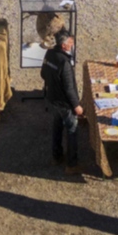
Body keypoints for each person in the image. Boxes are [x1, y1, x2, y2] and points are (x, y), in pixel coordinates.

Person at [42, 33, 83, 170]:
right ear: (64, 45)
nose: (73, 46)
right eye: (71, 43)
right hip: (65, 104)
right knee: (72, 130)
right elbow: (69, 88)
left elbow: (43, 73)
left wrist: (53, 82)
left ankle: (56, 157)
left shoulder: (49, 54)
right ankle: (72, 165)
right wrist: (76, 106)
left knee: (57, 127)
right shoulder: (64, 63)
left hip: (52, 99)